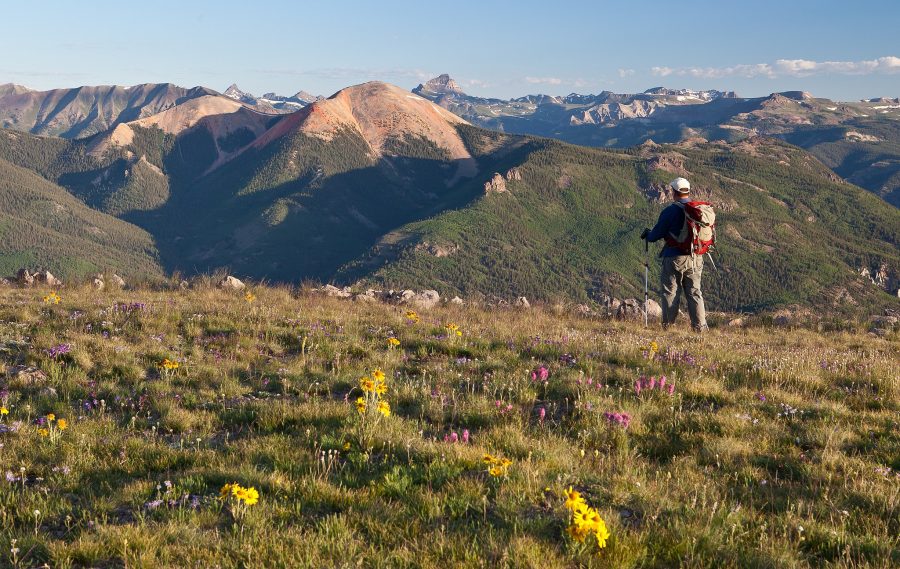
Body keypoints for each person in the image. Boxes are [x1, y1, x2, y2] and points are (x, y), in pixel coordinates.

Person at [640, 177, 708, 332]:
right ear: (688, 191)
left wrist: (648, 235)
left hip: (674, 257)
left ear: (674, 192)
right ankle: (700, 328)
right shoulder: (697, 210)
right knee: (695, 292)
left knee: (671, 292)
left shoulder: (670, 211)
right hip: (696, 256)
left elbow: (655, 235)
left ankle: (668, 327)